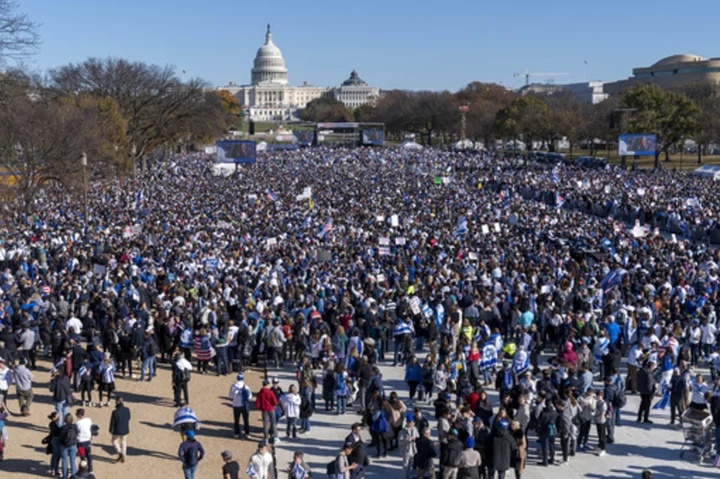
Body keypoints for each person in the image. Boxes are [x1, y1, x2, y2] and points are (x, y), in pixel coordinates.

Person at [229, 372, 252, 438]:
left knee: (236, 420)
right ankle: (247, 433)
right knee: (246, 420)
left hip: (236, 405)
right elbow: (249, 396)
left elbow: (230, 397)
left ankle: (237, 433)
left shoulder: (233, 386)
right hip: (244, 405)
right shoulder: (246, 386)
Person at [256, 379, 279, 443]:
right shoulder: (270, 392)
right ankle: (275, 437)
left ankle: (266, 438)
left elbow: (257, 404)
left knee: (265, 424)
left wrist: (261, 407)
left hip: (264, 410)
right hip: (271, 409)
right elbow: (275, 402)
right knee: (273, 423)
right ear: (268, 384)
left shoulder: (260, 393)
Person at [109, 396, 131, 463]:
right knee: (124, 442)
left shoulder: (115, 412)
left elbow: (112, 422)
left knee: (114, 441)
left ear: (118, 401)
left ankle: (120, 453)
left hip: (117, 430)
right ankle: (123, 455)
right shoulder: (127, 409)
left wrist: (110, 429)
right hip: (125, 428)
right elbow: (129, 418)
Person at [398, 415, 419, 479]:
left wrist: (415, 439)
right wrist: (407, 440)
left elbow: (418, 437)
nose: (411, 423)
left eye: (412, 422)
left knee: (411, 465)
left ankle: (409, 477)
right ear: (407, 422)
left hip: (413, 450)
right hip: (406, 450)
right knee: (406, 466)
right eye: (409, 422)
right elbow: (400, 442)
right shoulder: (402, 431)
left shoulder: (415, 429)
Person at [75, 408, 94, 474]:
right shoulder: (88, 420)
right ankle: (90, 469)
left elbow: (76, 432)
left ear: (79, 415)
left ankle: (83, 469)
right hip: (88, 441)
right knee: (89, 455)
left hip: (80, 442)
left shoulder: (77, 423)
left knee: (82, 457)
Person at [59, 413, 78, 479]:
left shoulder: (62, 428)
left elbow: (60, 437)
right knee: (73, 461)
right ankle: (74, 476)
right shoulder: (74, 427)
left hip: (64, 446)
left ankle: (65, 476)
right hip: (73, 445)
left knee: (64, 460)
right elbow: (77, 434)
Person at [48, 411, 62, 477]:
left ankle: (54, 469)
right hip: (56, 440)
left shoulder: (52, 424)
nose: (58, 417)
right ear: (53, 418)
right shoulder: (54, 424)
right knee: (57, 455)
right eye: (57, 416)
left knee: (55, 455)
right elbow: (58, 432)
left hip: (53, 440)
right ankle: (55, 469)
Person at [594, 390, 608, 457]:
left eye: (599, 396)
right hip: (597, 420)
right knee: (599, 434)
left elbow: (602, 413)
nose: (598, 397)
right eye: (597, 395)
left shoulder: (603, 403)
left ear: (602, 396)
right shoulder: (598, 402)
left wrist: (599, 418)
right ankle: (599, 446)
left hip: (601, 421)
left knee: (602, 436)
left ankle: (603, 449)